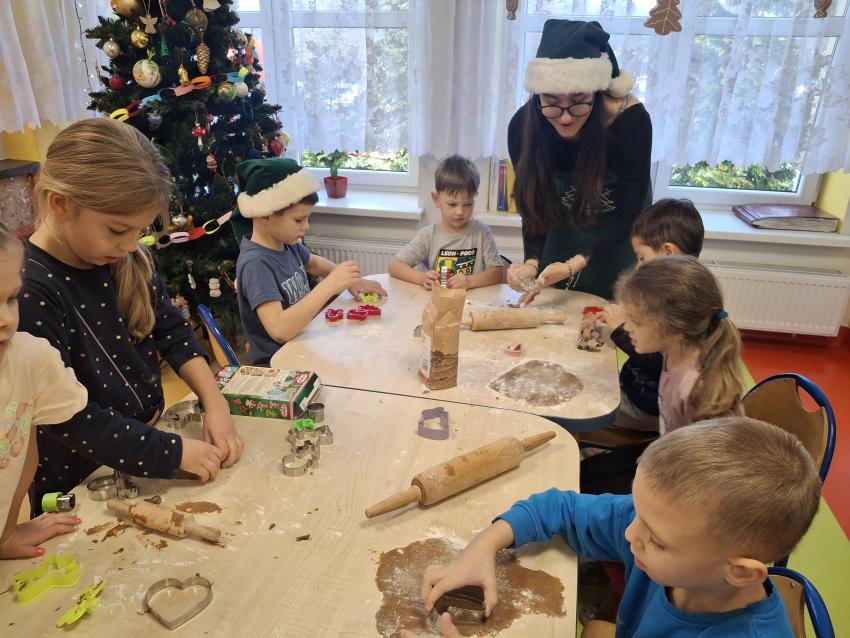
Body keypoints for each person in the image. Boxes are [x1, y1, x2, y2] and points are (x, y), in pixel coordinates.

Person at [412, 417, 821, 637]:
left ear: (741, 572)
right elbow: (559, 507)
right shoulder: (662, 532)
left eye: (656, 540)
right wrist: (484, 546)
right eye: (636, 510)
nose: (629, 534)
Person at [20, 118, 243, 515]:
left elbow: (172, 332)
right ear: (60, 204)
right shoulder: (26, 290)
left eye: (137, 232)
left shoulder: (124, 257)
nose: (128, 245)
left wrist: (215, 402)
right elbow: (67, 418)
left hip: (146, 446)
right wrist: (171, 452)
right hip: (78, 483)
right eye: (117, 230)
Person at [506, 19, 652, 301]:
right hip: (561, 240)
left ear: (596, 93)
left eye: (578, 100)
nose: (564, 117)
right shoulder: (523, 127)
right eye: (551, 101)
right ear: (537, 95)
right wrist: (532, 262)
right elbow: (535, 205)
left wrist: (575, 264)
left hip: (618, 244)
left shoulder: (630, 122)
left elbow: (629, 214)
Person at [581, 255, 743, 495]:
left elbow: (712, 472)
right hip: (667, 453)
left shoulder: (695, 385)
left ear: (674, 329)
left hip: (688, 485)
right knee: (584, 476)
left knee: (587, 491)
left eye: (635, 321)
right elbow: (676, 432)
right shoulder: (672, 352)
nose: (626, 327)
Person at [235, 158, 387, 365]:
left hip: (304, 343)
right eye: (299, 220)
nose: (306, 226)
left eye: (307, 218)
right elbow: (279, 330)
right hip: (280, 364)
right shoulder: (255, 264)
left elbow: (313, 263)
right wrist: (330, 285)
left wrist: (351, 281)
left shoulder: (286, 243)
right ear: (264, 214)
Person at [0, 223, 88, 558]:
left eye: (10, 299)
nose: (7, 319)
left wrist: (6, 533)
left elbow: (24, 454)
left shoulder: (29, 359)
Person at [596, 198, 704, 432]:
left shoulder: (683, 303)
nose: (638, 267)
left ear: (668, 251)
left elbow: (661, 363)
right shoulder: (668, 291)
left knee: (580, 404)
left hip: (649, 409)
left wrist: (621, 331)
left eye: (642, 257)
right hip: (636, 391)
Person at [389, 155, 503, 290]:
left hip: (473, 300)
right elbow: (395, 266)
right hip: (439, 300)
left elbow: (497, 273)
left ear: (475, 197)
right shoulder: (428, 235)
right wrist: (421, 278)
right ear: (436, 199)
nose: (460, 212)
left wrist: (470, 282)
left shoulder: (481, 232)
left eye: (468, 204)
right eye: (452, 204)